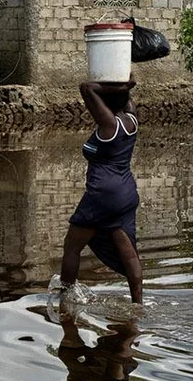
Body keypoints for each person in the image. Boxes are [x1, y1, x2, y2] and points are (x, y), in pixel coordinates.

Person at [60, 79, 143, 304]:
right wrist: (122, 74)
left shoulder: (110, 125)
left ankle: (64, 299)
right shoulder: (132, 118)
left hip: (102, 195)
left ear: (103, 103)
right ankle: (138, 304)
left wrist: (107, 83)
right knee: (129, 253)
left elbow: (86, 87)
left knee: (72, 246)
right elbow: (125, 89)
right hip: (126, 193)